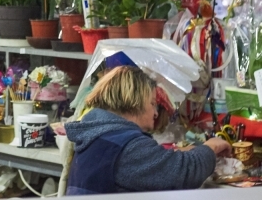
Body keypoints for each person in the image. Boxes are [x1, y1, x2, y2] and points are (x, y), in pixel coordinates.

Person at [66, 66, 232, 195]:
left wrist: (182, 152)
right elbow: (182, 172)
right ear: (133, 100)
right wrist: (212, 147)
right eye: (152, 103)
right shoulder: (126, 145)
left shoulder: (100, 134)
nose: (155, 113)